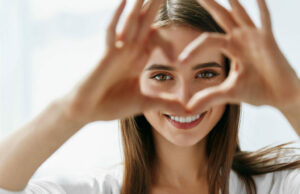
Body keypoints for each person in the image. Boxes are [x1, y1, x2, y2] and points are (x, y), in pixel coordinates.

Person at [0, 0, 300, 193]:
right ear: (134, 83)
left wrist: (293, 100)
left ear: (231, 77)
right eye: (162, 76)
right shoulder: (91, 190)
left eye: (206, 74)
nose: (185, 96)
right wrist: (71, 112)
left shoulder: (275, 187)